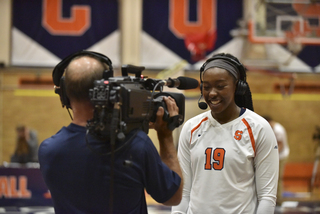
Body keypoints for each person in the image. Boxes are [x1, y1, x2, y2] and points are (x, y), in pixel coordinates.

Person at [38, 51, 183, 213]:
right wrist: (165, 136)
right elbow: (173, 197)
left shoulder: (48, 150)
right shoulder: (136, 145)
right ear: (107, 89)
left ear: (64, 94)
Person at [172, 53, 279, 214]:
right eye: (206, 87)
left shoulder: (259, 128)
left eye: (220, 86)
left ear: (238, 86)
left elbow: (266, 196)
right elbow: (184, 192)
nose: (212, 93)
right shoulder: (191, 128)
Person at [263, 115, 289, 206]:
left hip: (280, 156)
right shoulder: (271, 128)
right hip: (275, 155)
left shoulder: (278, 130)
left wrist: (271, 155)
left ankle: (279, 199)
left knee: (278, 178)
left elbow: (280, 145)